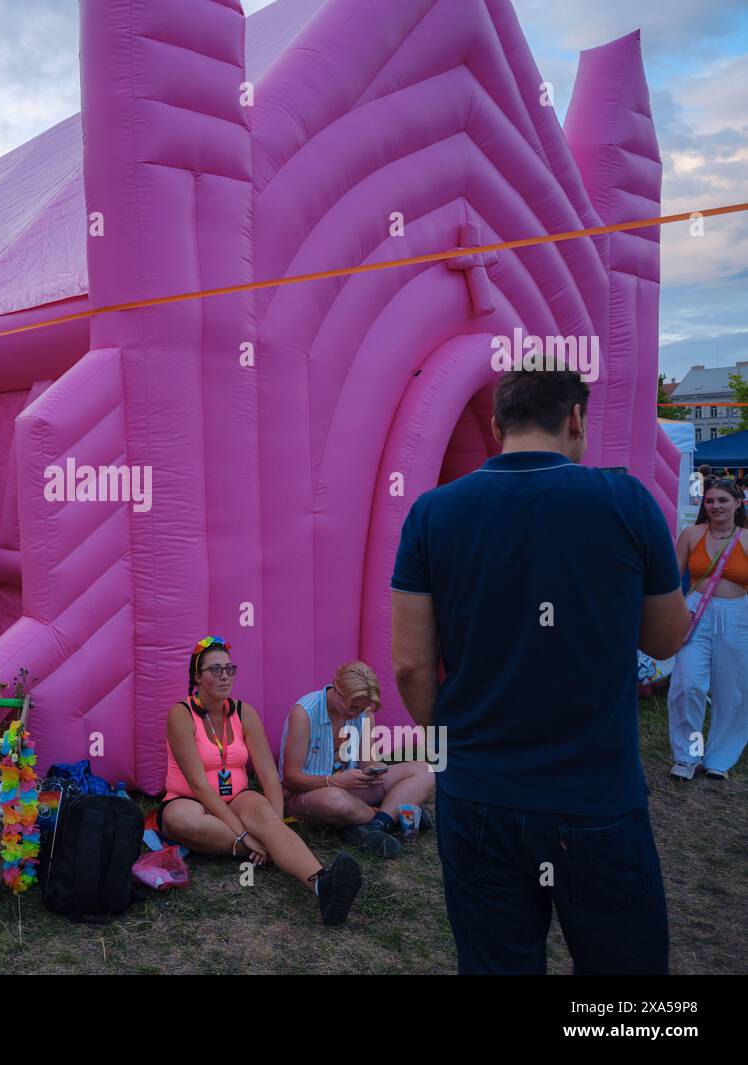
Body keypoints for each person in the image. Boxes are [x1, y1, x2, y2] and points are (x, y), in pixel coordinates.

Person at [391, 369, 689, 975]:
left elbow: (411, 664)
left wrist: (455, 738)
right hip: (595, 796)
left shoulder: (432, 512)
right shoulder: (626, 499)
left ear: (497, 426)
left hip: (479, 794)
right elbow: (665, 637)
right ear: (575, 419)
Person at [159, 636, 362, 926]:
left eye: (229, 669)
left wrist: (275, 824)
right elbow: (199, 785)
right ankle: (265, 848)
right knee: (186, 822)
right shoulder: (181, 714)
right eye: (215, 670)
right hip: (190, 800)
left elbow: (268, 775)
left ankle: (323, 884)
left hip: (239, 796)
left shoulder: (244, 712)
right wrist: (244, 835)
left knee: (267, 817)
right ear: (197, 677)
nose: (225, 676)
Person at [281, 661, 435, 858]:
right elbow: (290, 779)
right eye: (352, 706)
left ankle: (375, 824)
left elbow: (366, 762)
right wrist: (332, 781)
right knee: (336, 801)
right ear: (336, 688)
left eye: (361, 708)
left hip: (348, 785)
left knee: (425, 771)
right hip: (308, 795)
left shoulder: (364, 712)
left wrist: (373, 769)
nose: (355, 712)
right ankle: (390, 814)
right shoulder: (304, 713)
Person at [668, 478, 748, 780]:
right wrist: (672, 612)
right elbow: (673, 578)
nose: (715, 506)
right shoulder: (691, 534)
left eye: (723, 501)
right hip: (695, 613)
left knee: (734, 691)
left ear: (738, 503)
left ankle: (720, 758)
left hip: (738, 616)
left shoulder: (746, 538)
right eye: (710, 500)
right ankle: (687, 756)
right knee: (688, 685)